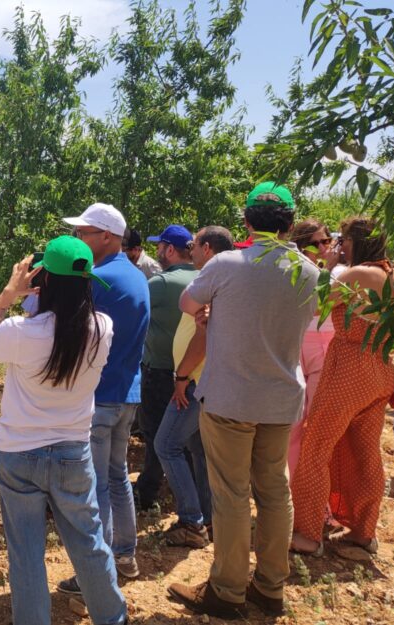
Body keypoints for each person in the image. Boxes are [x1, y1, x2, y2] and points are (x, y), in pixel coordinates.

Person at [168, 182, 319, 619]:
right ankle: (270, 588)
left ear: (247, 222)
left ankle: (227, 591)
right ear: (290, 224)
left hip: (230, 397)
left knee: (232, 495)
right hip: (281, 399)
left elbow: (186, 302)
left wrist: (210, 310)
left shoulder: (228, 264)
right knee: (274, 490)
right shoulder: (308, 270)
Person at [0, 237, 127, 625]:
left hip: (18, 454)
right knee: (89, 545)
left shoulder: (21, 332)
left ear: (44, 282)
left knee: (25, 552)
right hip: (74, 453)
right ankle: (112, 618)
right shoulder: (102, 328)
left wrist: (8, 295)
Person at [290, 217, 394, 556]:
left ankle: (308, 534)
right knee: (366, 453)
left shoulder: (355, 275)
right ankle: (363, 533)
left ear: (355, 241)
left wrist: (331, 268)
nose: (338, 245)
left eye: (343, 240)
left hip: (349, 369)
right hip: (381, 369)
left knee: (314, 447)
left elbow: (316, 306)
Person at [56, 203, 150, 595]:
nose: (78, 239)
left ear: (106, 237)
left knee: (94, 485)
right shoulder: (136, 274)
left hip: (100, 396)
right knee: (116, 476)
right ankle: (125, 554)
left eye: (84, 233)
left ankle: (98, 570)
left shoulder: (96, 279)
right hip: (128, 392)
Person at [154, 226, 233, 549]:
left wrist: (182, 377)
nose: (191, 251)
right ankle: (209, 517)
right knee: (198, 450)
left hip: (196, 381)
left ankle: (191, 521)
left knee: (166, 445)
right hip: (205, 381)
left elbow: (202, 336)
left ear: (208, 248)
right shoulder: (222, 280)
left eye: (194, 244)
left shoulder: (213, 282)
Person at [135, 225, 198, 511]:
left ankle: (147, 493)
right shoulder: (202, 278)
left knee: (154, 435)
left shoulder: (159, 283)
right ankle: (190, 491)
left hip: (160, 371)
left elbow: (132, 314)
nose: (157, 252)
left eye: (160, 246)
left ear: (170, 250)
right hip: (194, 373)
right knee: (189, 439)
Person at [286, 219, 338, 477]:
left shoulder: (343, 272)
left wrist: (328, 270)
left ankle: (317, 491)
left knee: (317, 423)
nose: (320, 247)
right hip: (297, 342)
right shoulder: (295, 269)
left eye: (325, 241)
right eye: (313, 243)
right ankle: (296, 488)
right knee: (294, 423)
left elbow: (323, 305)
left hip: (324, 343)